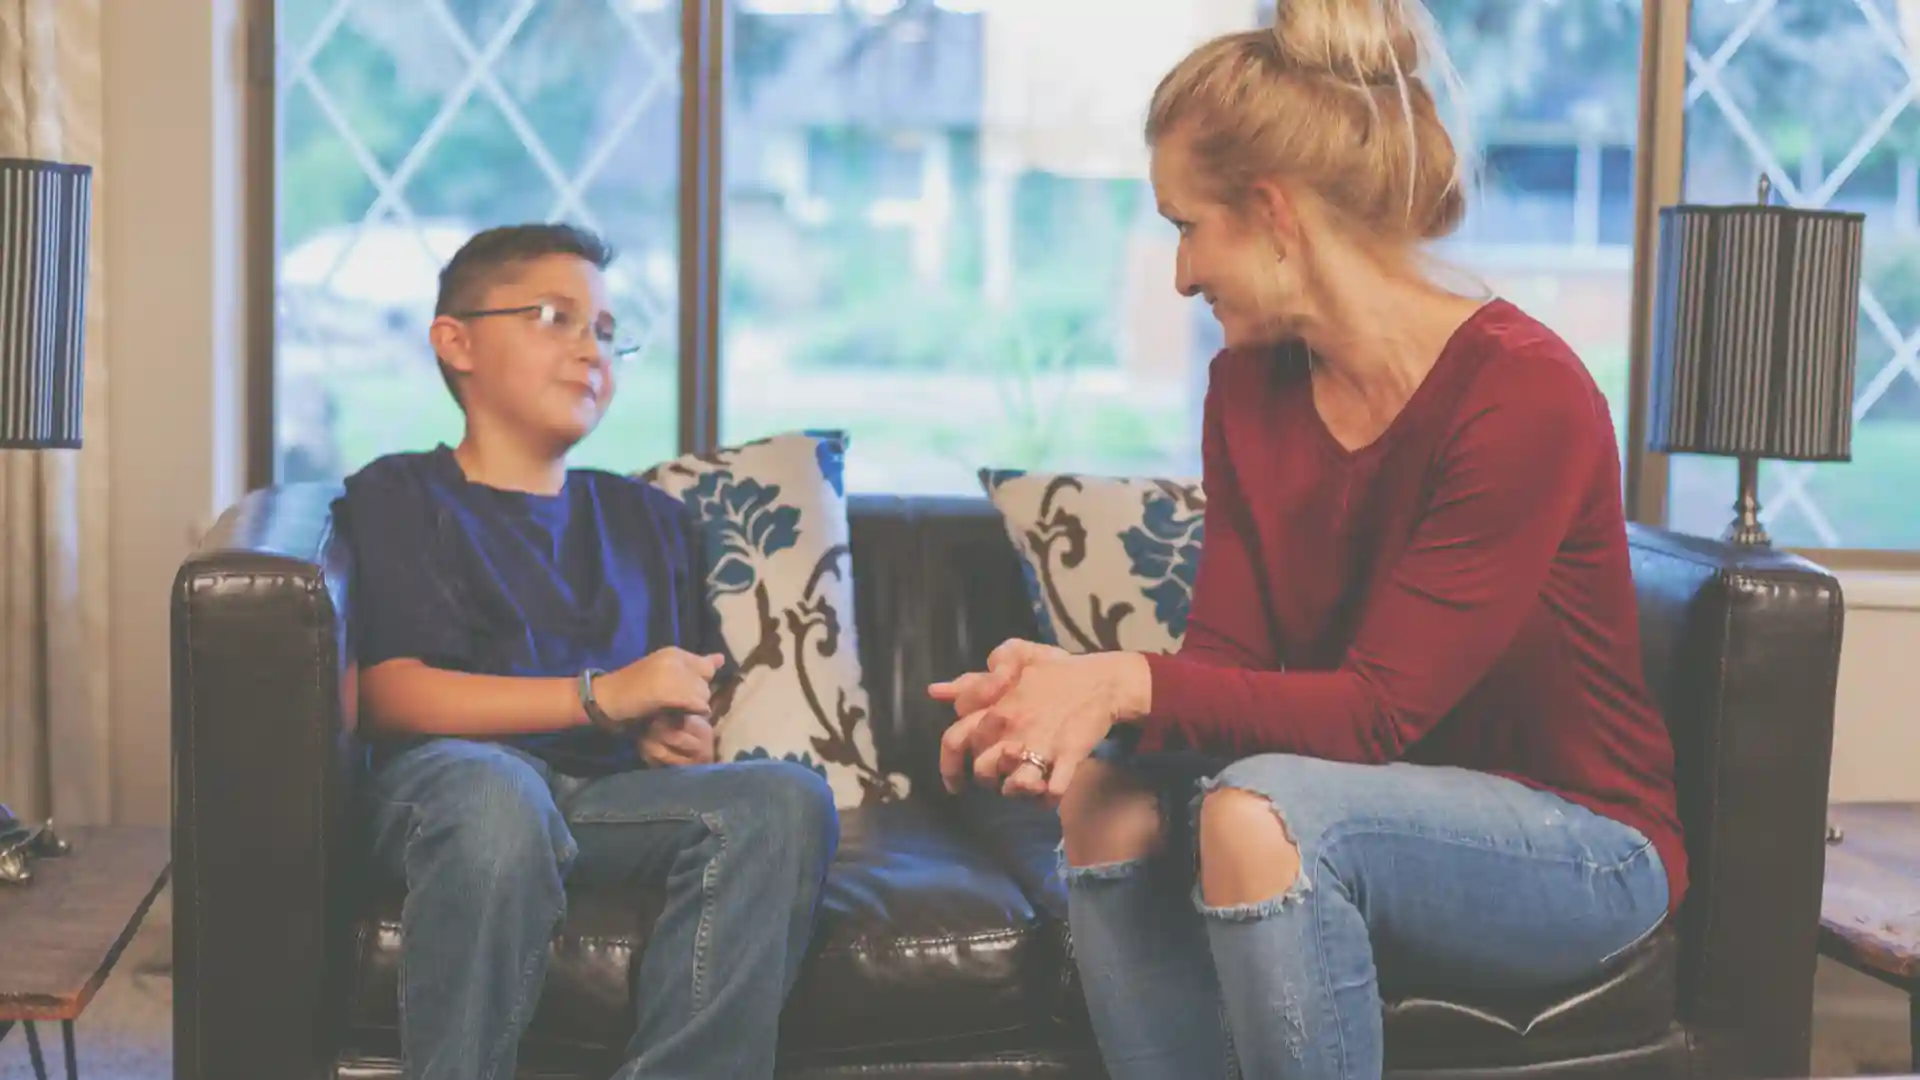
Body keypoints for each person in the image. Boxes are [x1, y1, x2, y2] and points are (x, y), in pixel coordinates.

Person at [928, 2, 1686, 1077]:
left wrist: (1123, 684)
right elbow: (1228, 674)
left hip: (1583, 845)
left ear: (1274, 215)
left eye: (1187, 224)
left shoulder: (1522, 393)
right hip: (1358, 810)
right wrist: (1065, 702)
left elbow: (1380, 710)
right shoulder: (1247, 388)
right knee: (1108, 799)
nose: (1181, 272)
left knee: (1256, 816)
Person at [336, 223, 838, 1080]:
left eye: (605, 332)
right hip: (451, 792)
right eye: (554, 317)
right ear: (455, 342)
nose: (589, 350)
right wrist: (600, 697)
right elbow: (390, 694)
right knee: (497, 796)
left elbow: (680, 708)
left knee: (786, 799)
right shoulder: (400, 493)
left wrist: (673, 734)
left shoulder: (652, 522)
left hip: (602, 801)